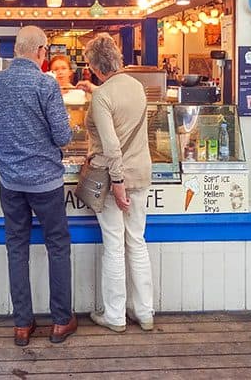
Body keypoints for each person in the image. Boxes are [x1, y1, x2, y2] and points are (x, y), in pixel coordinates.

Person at [0, 25, 77, 346]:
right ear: (40, 52)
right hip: (46, 182)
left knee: (16, 248)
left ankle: (22, 324)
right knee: (58, 246)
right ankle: (61, 321)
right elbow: (63, 135)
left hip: (10, 182)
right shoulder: (45, 85)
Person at [78, 33, 154, 333]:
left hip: (114, 180)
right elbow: (119, 106)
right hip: (142, 173)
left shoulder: (102, 96)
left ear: (95, 66)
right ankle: (145, 312)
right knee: (136, 241)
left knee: (114, 245)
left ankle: (115, 316)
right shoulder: (136, 86)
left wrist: (118, 184)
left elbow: (111, 147)